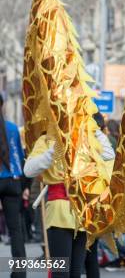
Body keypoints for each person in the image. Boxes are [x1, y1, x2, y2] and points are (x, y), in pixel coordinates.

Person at [24, 112, 115, 278]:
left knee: (75, 273)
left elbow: (109, 153)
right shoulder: (47, 140)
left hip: (82, 212)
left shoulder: (85, 140)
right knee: (61, 273)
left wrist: (90, 126)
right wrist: (53, 151)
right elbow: (28, 170)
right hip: (59, 211)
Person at [0, 95, 30, 278]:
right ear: (2, 106)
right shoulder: (12, 128)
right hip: (12, 180)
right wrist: (24, 184)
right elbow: (20, 156)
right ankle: (19, 274)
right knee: (15, 230)